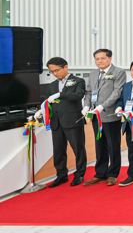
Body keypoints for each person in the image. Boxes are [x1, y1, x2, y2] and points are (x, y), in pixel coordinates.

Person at [37, 57, 87, 187]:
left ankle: (80, 174)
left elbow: (78, 96)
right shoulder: (52, 85)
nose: (55, 73)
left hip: (72, 120)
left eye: (57, 70)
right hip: (56, 122)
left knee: (78, 149)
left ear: (65, 67)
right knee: (58, 150)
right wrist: (41, 111)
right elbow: (48, 102)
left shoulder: (78, 81)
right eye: (52, 71)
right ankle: (61, 174)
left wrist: (61, 94)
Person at [83, 48, 126, 186]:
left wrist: (102, 106)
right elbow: (88, 92)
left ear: (110, 58)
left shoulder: (118, 72)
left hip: (110, 114)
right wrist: (86, 106)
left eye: (103, 58)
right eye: (97, 59)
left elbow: (117, 92)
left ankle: (113, 174)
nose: (99, 61)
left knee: (113, 145)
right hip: (95, 116)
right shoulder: (93, 73)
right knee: (99, 145)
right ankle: (100, 173)